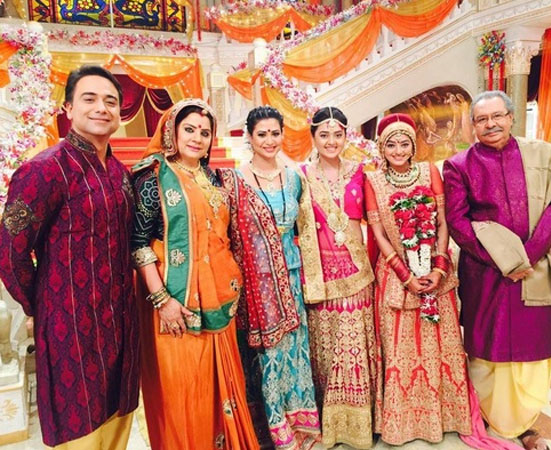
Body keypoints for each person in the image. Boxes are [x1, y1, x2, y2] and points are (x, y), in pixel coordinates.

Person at [0, 65, 139, 448]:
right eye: (89, 99)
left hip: (121, 325)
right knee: (79, 428)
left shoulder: (120, 173)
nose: (102, 108)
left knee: (119, 416)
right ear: (68, 109)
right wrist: (41, 306)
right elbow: (9, 251)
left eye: (111, 101)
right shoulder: (43, 171)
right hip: (71, 330)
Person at [130, 99, 259, 450]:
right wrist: (163, 301)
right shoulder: (152, 178)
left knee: (222, 391)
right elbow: (138, 243)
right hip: (175, 305)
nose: (197, 138)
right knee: (184, 393)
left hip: (220, 301)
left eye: (204, 132)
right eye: (189, 129)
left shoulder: (213, 178)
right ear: (171, 132)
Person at [443, 90, 551, 450]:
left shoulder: (543, 156)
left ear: (511, 117)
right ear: (473, 126)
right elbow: (457, 221)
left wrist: (526, 257)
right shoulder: (459, 165)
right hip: (486, 273)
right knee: (487, 345)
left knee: (533, 345)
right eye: (482, 119)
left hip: (533, 268)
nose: (491, 124)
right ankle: (488, 414)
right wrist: (503, 261)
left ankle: (526, 423)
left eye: (497, 116)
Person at [364, 113, 472, 446]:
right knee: (400, 350)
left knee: (440, 345)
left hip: (436, 276)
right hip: (396, 275)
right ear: (382, 148)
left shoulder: (429, 172)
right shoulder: (373, 180)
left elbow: (442, 222)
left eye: (404, 144)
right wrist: (405, 274)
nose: (398, 151)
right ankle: (403, 422)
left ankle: (446, 416)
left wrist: (438, 267)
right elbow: (378, 233)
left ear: (413, 146)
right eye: (391, 145)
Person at [219, 106, 321, 449]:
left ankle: (303, 426)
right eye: (261, 134)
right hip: (258, 284)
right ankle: (275, 430)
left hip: (292, 278)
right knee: (271, 355)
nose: (269, 140)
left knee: (297, 350)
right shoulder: (235, 180)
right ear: (249, 137)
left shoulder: (293, 179)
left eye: (275, 133)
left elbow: (303, 229)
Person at [296, 107, 376, 449]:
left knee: (353, 351)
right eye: (324, 135)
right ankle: (329, 422)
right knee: (327, 352)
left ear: (346, 136)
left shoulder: (360, 172)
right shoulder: (300, 177)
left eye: (338, 135)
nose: (331, 141)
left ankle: (361, 424)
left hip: (357, 275)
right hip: (320, 278)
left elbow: (377, 218)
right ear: (313, 137)